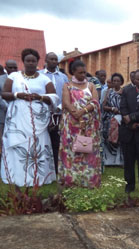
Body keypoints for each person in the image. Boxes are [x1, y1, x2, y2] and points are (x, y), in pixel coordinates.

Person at [1, 48, 58, 187]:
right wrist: (17, 95)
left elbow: (54, 97)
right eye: (28, 60)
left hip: (38, 120)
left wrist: (40, 97)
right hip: (17, 118)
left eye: (33, 61)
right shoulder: (14, 76)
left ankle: (40, 177)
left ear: (38, 62)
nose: (31, 63)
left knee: (38, 146)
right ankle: (16, 177)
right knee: (18, 145)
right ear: (23, 61)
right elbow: (4, 94)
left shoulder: (44, 79)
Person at [58, 60, 101, 188]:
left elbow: (95, 102)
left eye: (84, 72)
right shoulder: (67, 85)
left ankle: (89, 181)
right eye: (80, 73)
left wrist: (82, 111)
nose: (83, 75)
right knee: (72, 151)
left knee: (87, 150)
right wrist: (75, 113)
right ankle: (71, 181)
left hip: (88, 125)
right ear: (73, 72)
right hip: (71, 124)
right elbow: (66, 102)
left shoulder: (91, 85)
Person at [42, 52, 69, 174]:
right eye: (51, 59)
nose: (54, 61)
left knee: (57, 142)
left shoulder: (63, 77)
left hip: (59, 113)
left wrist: (59, 108)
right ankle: (44, 169)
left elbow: (67, 94)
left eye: (55, 59)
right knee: (43, 141)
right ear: (46, 60)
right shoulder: (40, 75)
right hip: (42, 112)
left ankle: (57, 170)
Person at [101, 72, 124, 166]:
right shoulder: (108, 92)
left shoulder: (124, 92)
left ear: (121, 82)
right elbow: (104, 106)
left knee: (120, 139)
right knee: (108, 138)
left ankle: (120, 160)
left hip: (121, 118)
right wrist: (112, 109)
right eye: (114, 81)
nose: (116, 82)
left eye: (118, 81)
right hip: (109, 117)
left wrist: (119, 111)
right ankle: (109, 161)